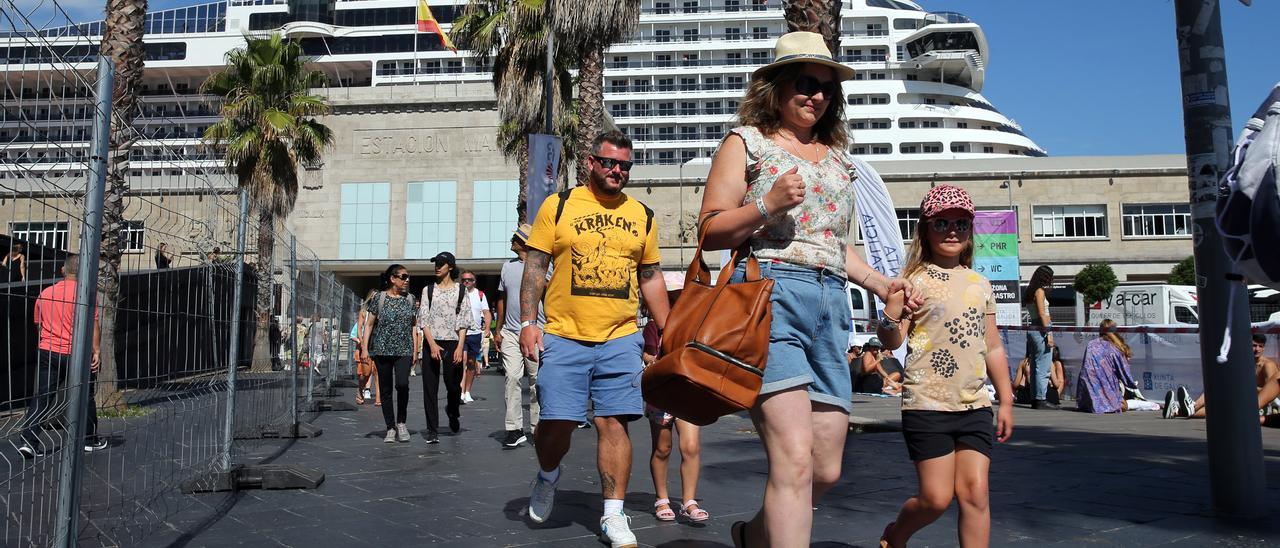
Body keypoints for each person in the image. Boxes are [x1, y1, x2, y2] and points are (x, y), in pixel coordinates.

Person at [696, 32, 919, 547]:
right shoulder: (745, 142)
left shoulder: (839, 160)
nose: (816, 95)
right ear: (775, 86)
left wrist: (884, 283)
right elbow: (710, 230)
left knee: (825, 468)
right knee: (794, 460)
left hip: (831, 307)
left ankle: (754, 537)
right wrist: (766, 205)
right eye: (805, 82)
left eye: (825, 87)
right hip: (770, 301)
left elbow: (836, 248)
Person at [519, 130, 671, 548]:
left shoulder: (643, 215)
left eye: (624, 165)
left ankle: (613, 514)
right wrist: (529, 322)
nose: (617, 171)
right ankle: (549, 475)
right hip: (564, 336)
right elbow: (535, 266)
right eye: (609, 163)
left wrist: (669, 331)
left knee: (615, 422)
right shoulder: (560, 205)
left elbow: (651, 276)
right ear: (591, 162)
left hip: (622, 337)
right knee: (556, 423)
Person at [875, 184, 1015, 548]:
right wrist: (891, 311)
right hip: (927, 405)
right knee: (936, 499)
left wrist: (1006, 398)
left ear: (970, 232)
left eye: (961, 223)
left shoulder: (980, 283)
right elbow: (891, 342)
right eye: (941, 223)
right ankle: (897, 534)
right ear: (925, 229)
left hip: (974, 405)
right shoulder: (912, 284)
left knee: (975, 495)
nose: (952, 231)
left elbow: (993, 345)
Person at [19, 255, 105, 458]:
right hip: (77, 353)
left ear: (62, 270)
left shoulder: (46, 293)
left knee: (42, 398)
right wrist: (96, 351)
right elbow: (93, 325)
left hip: (49, 351)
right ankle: (88, 440)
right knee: (85, 396)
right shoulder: (86, 294)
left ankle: (28, 442)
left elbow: (39, 325)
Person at [643, 272, 710, 524]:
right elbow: (647, 355)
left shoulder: (696, 324)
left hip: (687, 391)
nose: (678, 300)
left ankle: (689, 501)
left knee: (691, 447)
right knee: (662, 448)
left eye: (681, 295)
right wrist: (660, 360)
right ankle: (662, 498)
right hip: (662, 392)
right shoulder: (654, 326)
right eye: (672, 296)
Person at [357, 264, 421, 444]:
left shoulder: (410, 299)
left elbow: (414, 325)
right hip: (382, 349)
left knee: (402, 384)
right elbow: (369, 325)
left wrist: (415, 350)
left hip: (404, 350)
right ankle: (390, 427)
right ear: (392, 278)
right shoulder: (380, 298)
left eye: (408, 277)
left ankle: (401, 422)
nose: (406, 280)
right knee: (385, 390)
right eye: (403, 276)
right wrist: (364, 348)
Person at [1163, 334, 1280, 423]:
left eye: (1260, 346)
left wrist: (1248, 388)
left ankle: (1182, 409)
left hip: (1260, 406)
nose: (1257, 349)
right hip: (1243, 399)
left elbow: (1271, 393)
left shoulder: (1267, 365)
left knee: (1219, 410)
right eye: (1254, 345)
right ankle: (1182, 409)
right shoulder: (1244, 363)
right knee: (1217, 393)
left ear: (1264, 348)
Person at [418, 251, 470, 442]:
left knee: (453, 386)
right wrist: (431, 344)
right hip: (432, 341)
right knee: (430, 388)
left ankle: (453, 411)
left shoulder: (461, 291)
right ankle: (432, 430)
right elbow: (423, 319)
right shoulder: (428, 290)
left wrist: (460, 346)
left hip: (453, 342)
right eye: (435, 263)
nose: (437, 267)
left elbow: (464, 321)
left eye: (441, 263)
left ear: (450, 266)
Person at [496, 224, 539, 448]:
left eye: (515, 237)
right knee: (512, 377)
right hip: (511, 332)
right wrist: (498, 328)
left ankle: (537, 428)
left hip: (536, 330)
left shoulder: (543, 267)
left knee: (536, 381)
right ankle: (513, 428)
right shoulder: (506, 267)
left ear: (524, 242)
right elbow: (502, 299)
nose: (512, 240)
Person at [1076, 320, 1140, 414]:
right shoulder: (1115, 347)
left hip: (1085, 388)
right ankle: (1154, 405)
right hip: (1103, 385)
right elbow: (1124, 371)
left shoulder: (1091, 344)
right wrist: (1131, 384)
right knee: (1123, 406)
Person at [1023, 265, 1057, 409]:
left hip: (1032, 327)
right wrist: (1049, 333)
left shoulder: (1030, 290)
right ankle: (1041, 399)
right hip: (1041, 328)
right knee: (1043, 366)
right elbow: (1043, 314)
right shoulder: (1039, 291)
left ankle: (1035, 399)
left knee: (1036, 365)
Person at [460, 269, 492, 404]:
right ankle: (460, 391)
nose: (466, 281)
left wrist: (488, 328)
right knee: (462, 361)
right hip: (461, 333)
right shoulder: (458, 293)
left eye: (469, 279)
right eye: (464, 280)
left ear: (474, 281)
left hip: (475, 333)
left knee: (471, 363)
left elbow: (487, 312)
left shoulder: (480, 295)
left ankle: (467, 391)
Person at [353, 289, 380, 406]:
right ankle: (360, 389)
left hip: (378, 344)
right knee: (366, 372)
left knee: (378, 372)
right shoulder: (364, 311)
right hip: (366, 344)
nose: (375, 299)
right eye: (373, 296)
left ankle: (378, 398)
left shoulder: (381, 311)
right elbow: (359, 328)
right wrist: (363, 343)